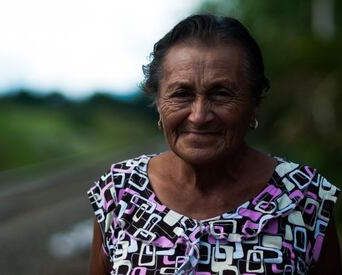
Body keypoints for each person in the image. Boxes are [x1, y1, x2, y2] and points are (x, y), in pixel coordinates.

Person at [87, 14, 341, 274]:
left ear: (254, 105)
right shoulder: (120, 192)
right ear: (159, 104)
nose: (199, 116)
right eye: (181, 94)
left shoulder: (303, 197)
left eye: (221, 94)